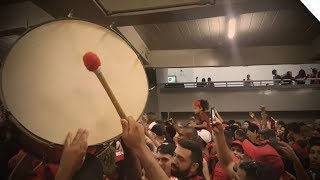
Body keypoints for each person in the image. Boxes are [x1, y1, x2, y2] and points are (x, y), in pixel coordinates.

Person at [212, 118, 280, 180]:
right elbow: (227, 163)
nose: (241, 156)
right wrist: (219, 133)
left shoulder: (243, 174)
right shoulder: (243, 174)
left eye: (247, 156)